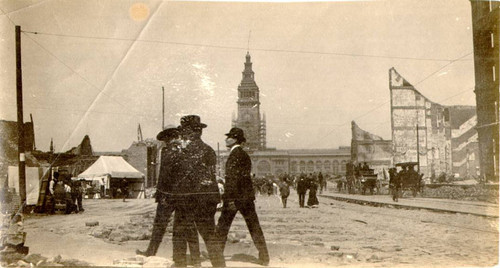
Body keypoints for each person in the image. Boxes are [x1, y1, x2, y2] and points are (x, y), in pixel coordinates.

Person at [136, 125, 200, 260]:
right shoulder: (184, 151)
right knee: (188, 226)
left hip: (167, 195)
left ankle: (150, 252)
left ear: (167, 138)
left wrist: (160, 193)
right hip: (183, 195)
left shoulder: (167, 151)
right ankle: (195, 258)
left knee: (159, 225)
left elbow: (164, 175)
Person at [175, 115, 225, 267]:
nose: (182, 134)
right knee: (209, 235)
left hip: (191, 199)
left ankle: (181, 264)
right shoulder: (208, 149)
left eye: (184, 131)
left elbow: (185, 177)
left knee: (180, 233)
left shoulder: (187, 151)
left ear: (190, 132)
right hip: (207, 199)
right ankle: (219, 265)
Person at [216, 127, 270, 266]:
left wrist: (230, 199)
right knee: (254, 226)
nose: (226, 139)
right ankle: (264, 257)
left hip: (235, 198)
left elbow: (234, 179)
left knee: (222, 227)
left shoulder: (235, 155)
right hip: (246, 198)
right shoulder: (243, 154)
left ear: (235, 139)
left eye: (229, 137)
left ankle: (216, 256)